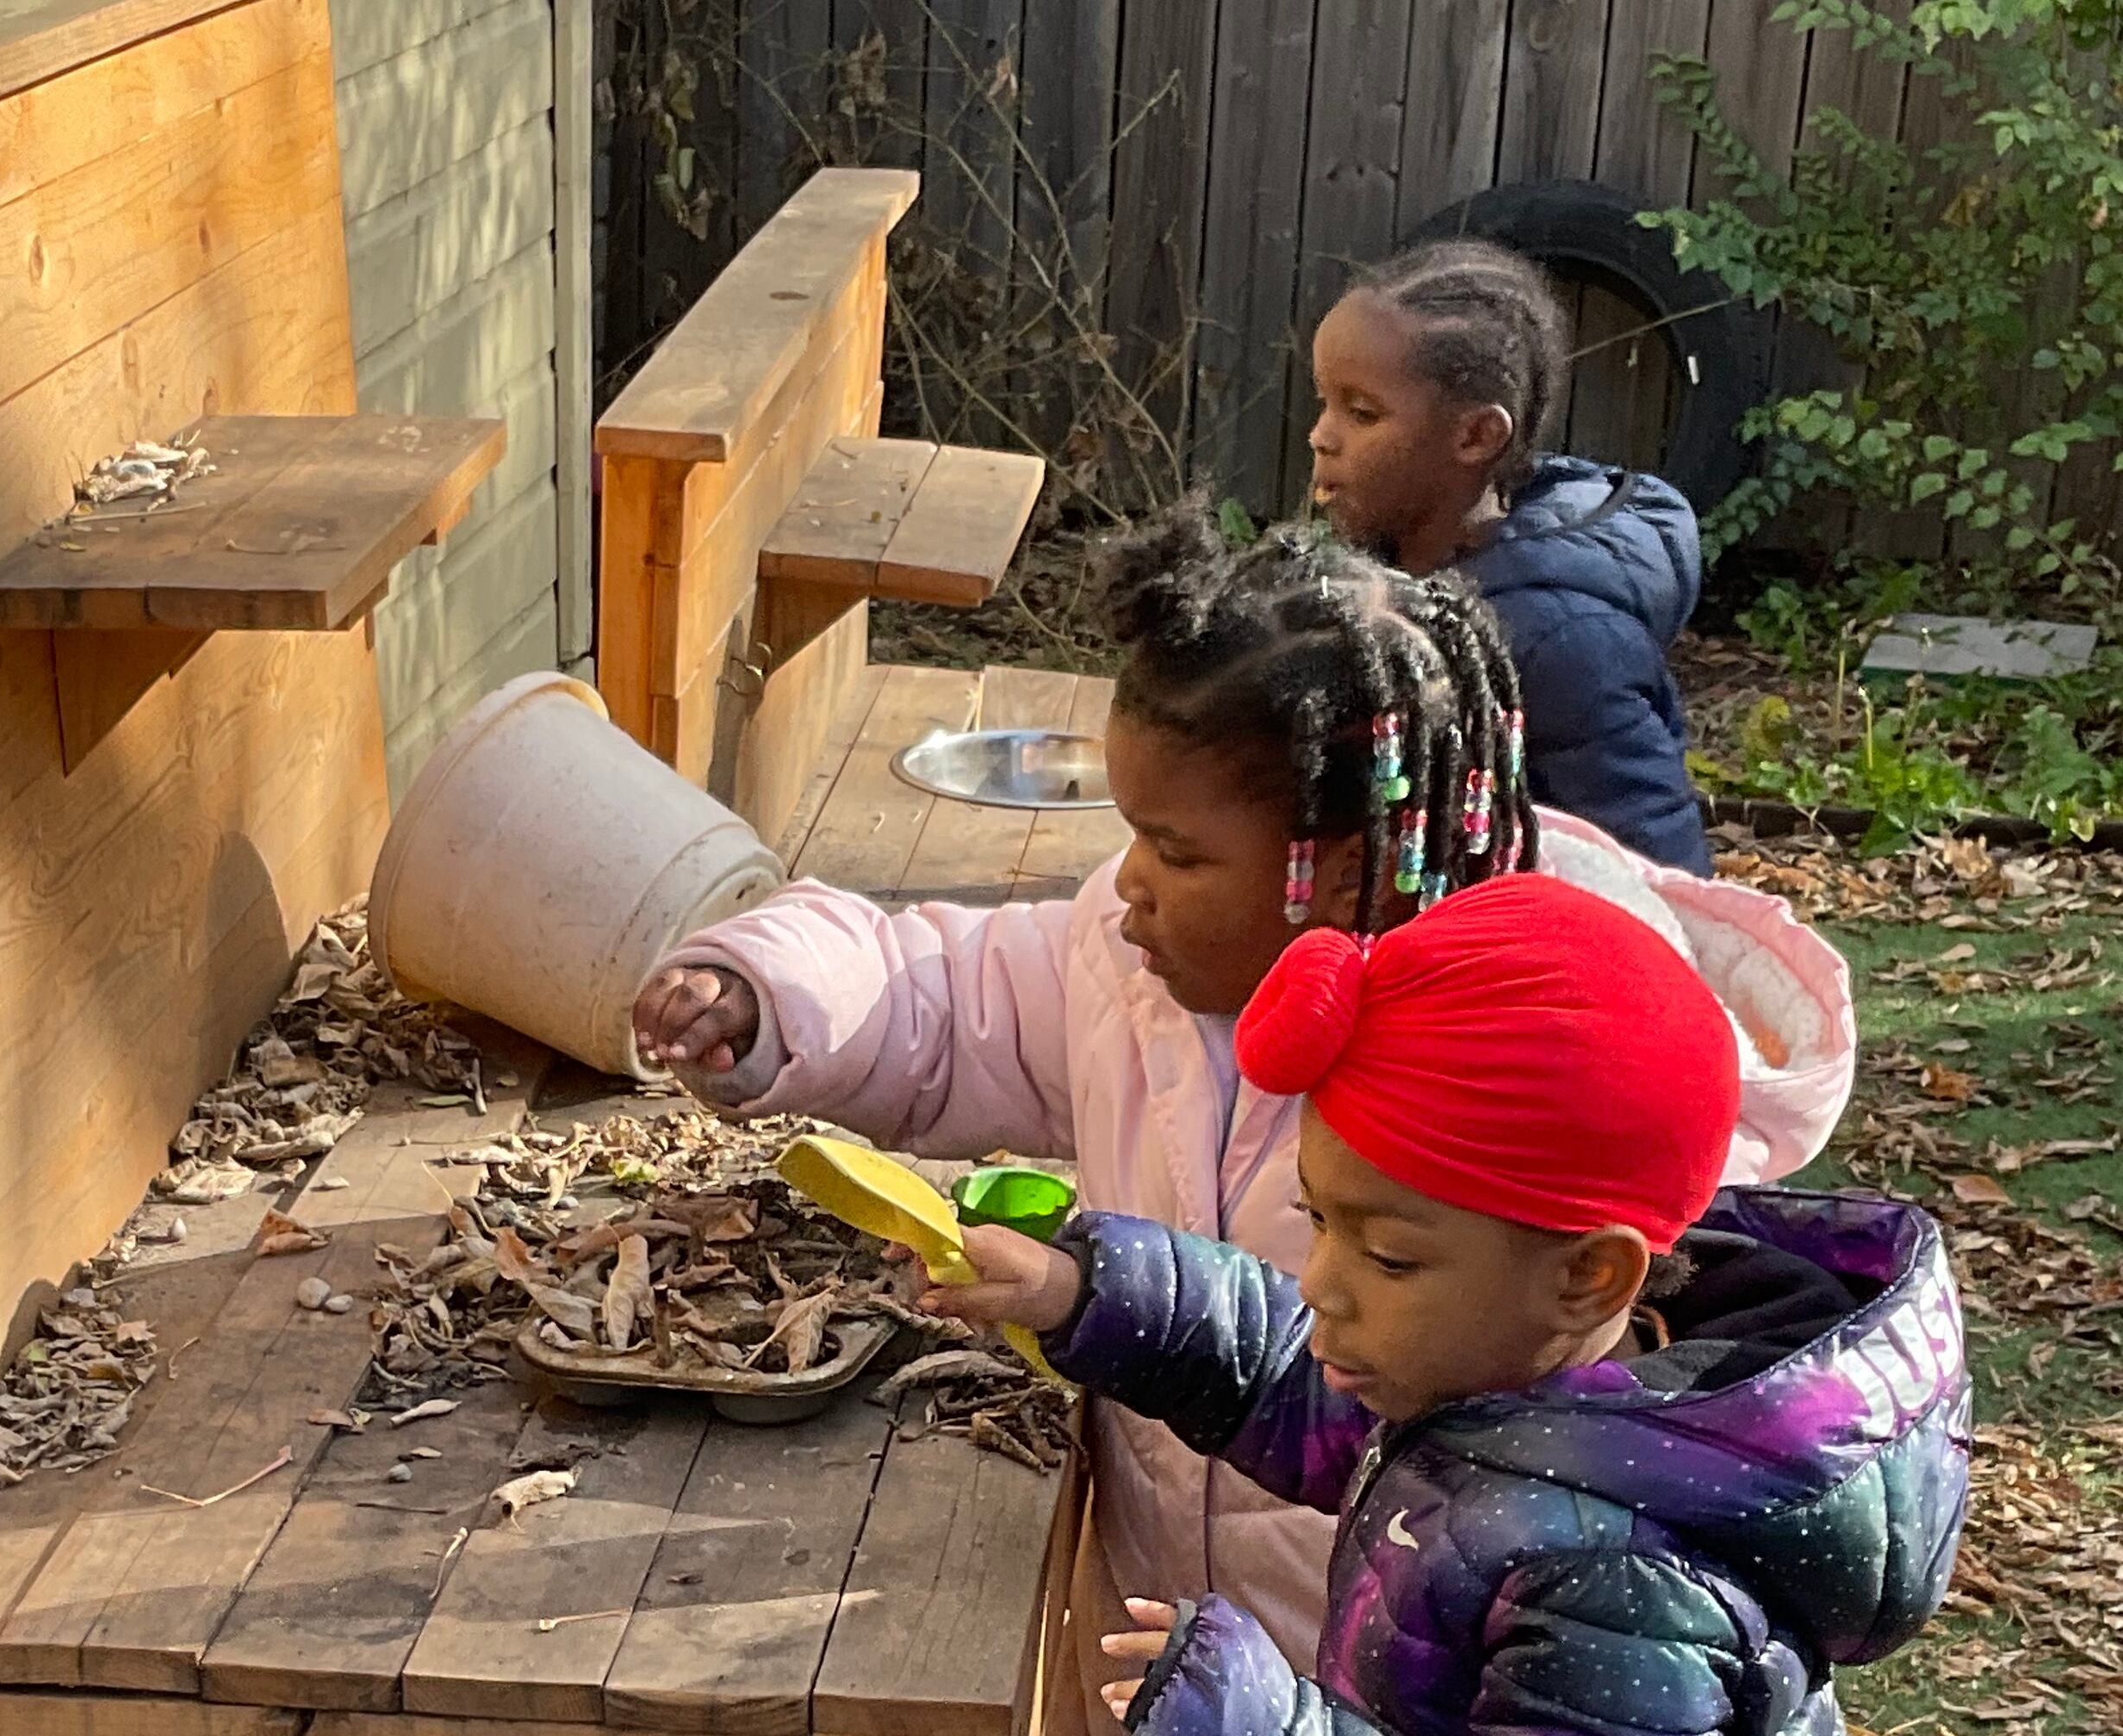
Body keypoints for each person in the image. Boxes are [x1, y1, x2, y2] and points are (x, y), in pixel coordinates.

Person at [631, 515, 1855, 1735]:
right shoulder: (1140, 979)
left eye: (1172, 848)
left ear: (1329, 868)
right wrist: (779, 997)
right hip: (1197, 1661)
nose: (1128, 883)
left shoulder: (1550, 1126)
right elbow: (949, 1000)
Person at [914, 874, 1968, 1736]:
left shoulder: (1621, 1581)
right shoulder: (1501, 1367)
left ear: (1589, 1276)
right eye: (1319, 1223)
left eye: (1388, 1257)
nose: (1323, 1282)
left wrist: (1270, 1726)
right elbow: (1295, 1383)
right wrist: (1082, 1289)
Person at [1308, 239, 1713, 873]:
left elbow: (1664, 878)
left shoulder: (1557, 641)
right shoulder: (1391, 569)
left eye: (1361, 413)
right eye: (1325, 402)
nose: (1321, 436)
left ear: (1475, 436)